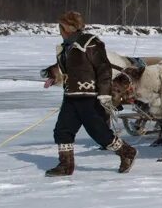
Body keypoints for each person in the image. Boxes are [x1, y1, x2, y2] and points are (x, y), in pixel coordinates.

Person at [45, 11, 136, 177]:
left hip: (90, 97)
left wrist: (104, 94)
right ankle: (66, 165)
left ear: (67, 27)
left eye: (61, 26)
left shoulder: (91, 44)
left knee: (99, 133)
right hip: (71, 96)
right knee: (62, 131)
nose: (59, 30)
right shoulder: (66, 47)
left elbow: (104, 69)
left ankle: (127, 152)